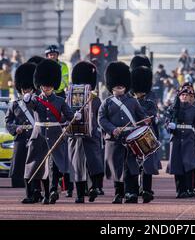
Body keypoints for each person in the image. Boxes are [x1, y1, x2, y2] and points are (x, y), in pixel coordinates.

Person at [23, 59, 76, 204]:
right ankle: (45, 193)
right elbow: (31, 105)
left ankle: (53, 190)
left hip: (55, 135)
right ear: (40, 86)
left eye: (49, 86)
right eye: (44, 86)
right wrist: (26, 99)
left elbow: (69, 117)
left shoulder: (60, 101)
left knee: (54, 166)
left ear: (53, 86)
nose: (46, 88)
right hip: (39, 136)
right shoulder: (36, 100)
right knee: (40, 167)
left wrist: (73, 118)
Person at [99, 61, 149, 204]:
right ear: (111, 85)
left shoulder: (133, 101)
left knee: (131, 167)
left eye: (121, 84)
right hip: (114, 139)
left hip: (130, 139)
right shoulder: (106, 103)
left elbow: (141, 115)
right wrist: (113, 129)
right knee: (117, 167)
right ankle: (118, 193)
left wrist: (146, 120)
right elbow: (101, 119)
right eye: (116, 84)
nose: (119, 86)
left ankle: (131, 193)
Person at [67, 61, 104, 203]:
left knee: (93, 164)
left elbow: (100, 116)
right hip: (75, 136)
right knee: (77, 166)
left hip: (91, 134)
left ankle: (94, 188)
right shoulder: (70, 98)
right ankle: (80, 194)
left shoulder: (94, 99)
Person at [5, 63, 41, 199]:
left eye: (28, 89)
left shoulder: (38, 102)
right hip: (21, 139)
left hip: (35, 138)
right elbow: (8, 122)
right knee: (22, 168)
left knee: (36, 167)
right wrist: (16, 128)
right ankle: (29, 194)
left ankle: (37, 192)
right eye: (24, 89)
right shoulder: (15, 104)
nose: (26, 91)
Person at [130, 65, 161, 203]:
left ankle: (146, 189)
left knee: (147, 163)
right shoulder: (129, 102)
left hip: (146, 134)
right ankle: (133, 190)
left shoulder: (149, 103)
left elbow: (151, 116)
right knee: (133, 164)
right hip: (132, 134)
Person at [166, 86, 195, 198]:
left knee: (189, 165)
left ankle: (188, 189)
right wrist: (170, 126)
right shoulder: (172, 109)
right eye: (182, 95)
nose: (184, 96)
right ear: (179, 96)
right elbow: (166, 123)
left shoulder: (194, 110)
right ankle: (179, 190)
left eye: (186, 95)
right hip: (176, 138)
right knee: (177, 165)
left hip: (189, 138)